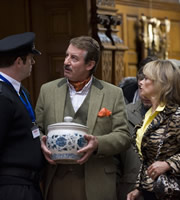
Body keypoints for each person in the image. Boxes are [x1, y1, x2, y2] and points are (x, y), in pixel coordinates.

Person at [35, 36, 131, 200]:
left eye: (74, 58)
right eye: (66, 55)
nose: (66, 62)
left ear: (90, 64)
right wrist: (41, 143)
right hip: (58, 182)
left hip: (97, 182)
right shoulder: (47, 90)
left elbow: (123, 136)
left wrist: (97, 144)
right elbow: (36, 128)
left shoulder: (113, 93)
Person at [0, 32, 45, 200]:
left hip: (28, 184)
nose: (33, 62)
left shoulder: (19, 91)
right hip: (10, 188)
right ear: (19, 62)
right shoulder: (2, 96)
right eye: (30, 58)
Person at [127, 59, 180, 200]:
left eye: (146, 79)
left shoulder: (176, 115)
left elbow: (161, 162)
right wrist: (140, 188)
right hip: (152, 191)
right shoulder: (150, 114)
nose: (140, 82)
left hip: (173, 192)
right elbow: (148, 159)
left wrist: (169, 164)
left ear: (161, 83)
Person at [117, 56, 157, 200]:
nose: (144, 94)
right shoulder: (124, 113)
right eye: (140, 88)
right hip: (130, 190)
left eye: (151, 87)